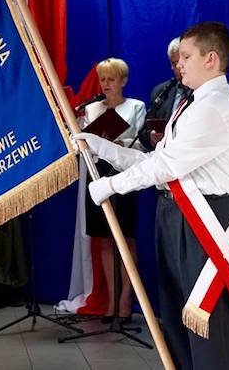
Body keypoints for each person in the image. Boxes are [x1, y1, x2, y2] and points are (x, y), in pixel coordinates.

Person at [77, 22, 229, 370]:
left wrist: (111, 186)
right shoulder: (191, 103)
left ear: (211, 59)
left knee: (206, 321)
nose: (179, 63)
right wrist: (104, 148)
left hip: (204, 221)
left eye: (186, 57)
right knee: (177, 317)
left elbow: (166, 167)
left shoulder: (214, 107)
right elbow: (157, 159)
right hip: (174, 215)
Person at [81, 58, 145, 322]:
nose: (106, 84)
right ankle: (110, 298)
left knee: (126, 238)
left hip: (125, 175)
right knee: (104, 239)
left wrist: (120, 143)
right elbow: (85, 143)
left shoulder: (136, 106)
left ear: (123, 81)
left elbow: (141, 143)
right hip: (98, 173)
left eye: (111, 79)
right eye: (103, 79)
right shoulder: (92, 108)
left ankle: (125, 299)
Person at [141, 37, 192, 151]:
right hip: (162, 155)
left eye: (183, 61)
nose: (179, 67)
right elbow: (143, 132)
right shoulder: (161, 91)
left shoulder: (202, 90)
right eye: (175, 63)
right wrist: (151, 136)